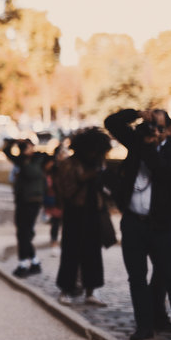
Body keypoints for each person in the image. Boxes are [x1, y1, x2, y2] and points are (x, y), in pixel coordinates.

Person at [105, 108, 171, 340]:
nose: (155, 131)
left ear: (168, 131)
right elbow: (112, 122)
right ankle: (144, 326)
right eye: (152, 126)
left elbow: (165, 173)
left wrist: (150, 147)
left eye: (160, 127)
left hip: (162, 225)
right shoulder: (136, 143)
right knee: (136, 278)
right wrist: (138, 114)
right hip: (133, 222)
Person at [53, 127, 112, 307]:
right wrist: (87, 177)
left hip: (93, 210)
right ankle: (66, 288)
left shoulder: (98, 163)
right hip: (75, 211)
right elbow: (65, 188)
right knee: (71, 251)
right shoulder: (69, 164)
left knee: (93, 252)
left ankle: (92, 289)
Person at [3, 138, 48, 278]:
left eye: (27, 147)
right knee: (23, 232)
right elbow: (6, 151)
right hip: (22, 200)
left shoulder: (39, 159)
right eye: (23, 148)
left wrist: (25, 158)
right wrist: (14, 142)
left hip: (33, 200)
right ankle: (34, 262)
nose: (25, 150)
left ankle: (24, 263)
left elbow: (31, 172)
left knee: (24, 233)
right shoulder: (22, 159)